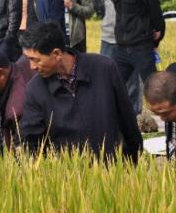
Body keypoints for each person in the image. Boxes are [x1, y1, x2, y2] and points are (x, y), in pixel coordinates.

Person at [19, 22, 143, 160]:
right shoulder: (35, 89)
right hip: (69, 174)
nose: (32, 66)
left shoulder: (104, 69)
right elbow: (32, 142)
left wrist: (134, 162)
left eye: (35, 60)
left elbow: (127, 119)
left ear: (57, 54)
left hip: (113, 168)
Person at [102, 0, 165, 114]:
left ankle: (168, 119)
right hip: (121, 46)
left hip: (141, 45)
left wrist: (157, 36)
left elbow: (155, 12)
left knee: (153, 88)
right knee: (112, 84)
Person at [100, 0, 142, 114]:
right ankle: (107, 112)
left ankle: (133, 114)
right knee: (105, 77)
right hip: (108, 36)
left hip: (130, 38)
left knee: (132, 81)